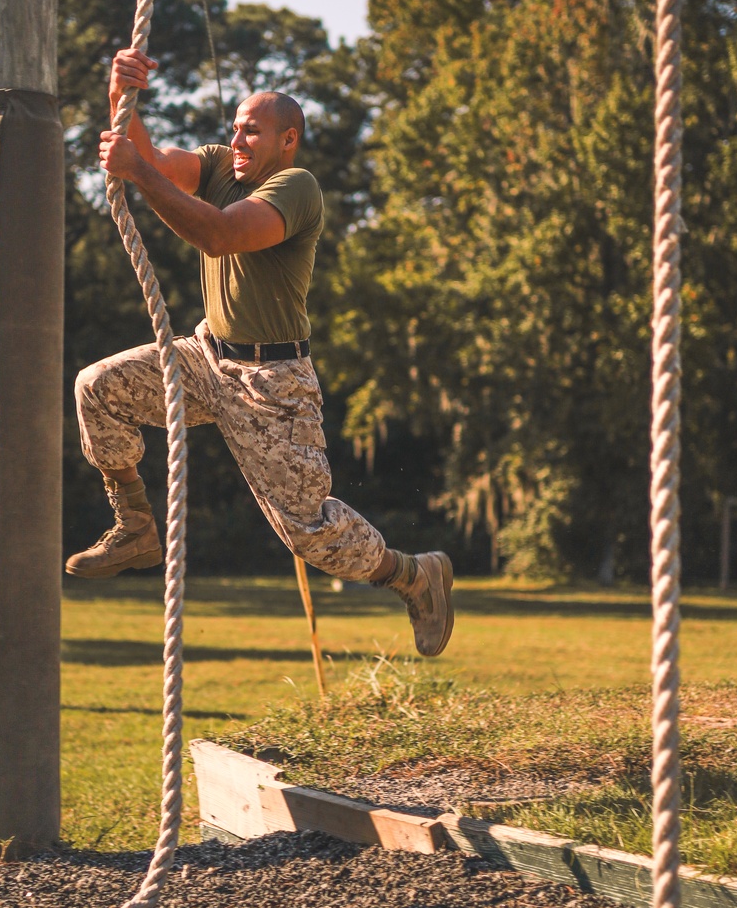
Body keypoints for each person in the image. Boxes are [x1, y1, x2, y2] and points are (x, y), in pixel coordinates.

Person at [66, 47, 454, 657]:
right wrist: (121, 94)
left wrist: (137, 173)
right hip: (205, 355)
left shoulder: (296, 188)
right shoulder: (221, 165)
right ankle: (136, 526)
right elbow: (152, 157)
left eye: (254, 129)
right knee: (97, 387)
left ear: (288, 139)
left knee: (310, 532)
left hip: (271, 380)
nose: (238, 137)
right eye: (236, 126)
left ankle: (413, 573)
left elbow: (220, 236)